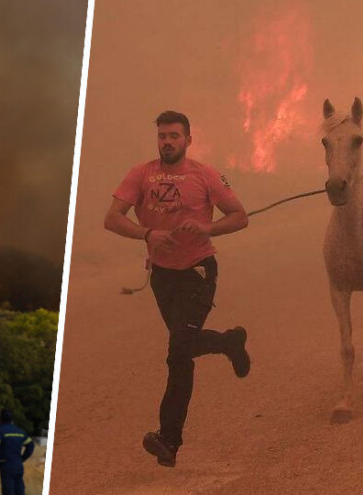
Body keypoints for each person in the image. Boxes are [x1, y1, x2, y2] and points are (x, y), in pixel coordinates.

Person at [103, 110, 252, 468]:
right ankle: (229, 342)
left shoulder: (206, 174)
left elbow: (240, 216)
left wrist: (208, 228)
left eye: (174, 135)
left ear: (188, 139)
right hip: (162, 277)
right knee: (183, 347)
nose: (167, 141)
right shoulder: (141, 174)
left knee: (178, 352)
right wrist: (147, 234)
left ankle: (169, 439)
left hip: (197, 271)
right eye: (162, 136)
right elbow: (112, 218)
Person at [0, 409, 35, 494]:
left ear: (0, 419)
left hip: (6, 464)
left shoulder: (0, 431)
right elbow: (31, 446)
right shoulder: (19, 431)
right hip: (18, 465)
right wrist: (22, 459)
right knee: (20, 490)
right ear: (12, 419)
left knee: (8, 491)